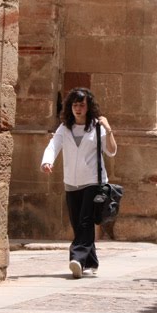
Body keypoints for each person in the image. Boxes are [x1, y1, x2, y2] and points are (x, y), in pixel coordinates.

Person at [40, 88, 117, 279]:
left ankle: (76, 258)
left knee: (85, 221)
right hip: (71, 183)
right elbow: (53, 145)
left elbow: (112, 151)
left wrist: (109, 130)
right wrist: (47, 161)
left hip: (92, 181)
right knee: (77, 224)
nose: (78, 108)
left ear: (88, 107)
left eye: (82, 105)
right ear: (70, 107)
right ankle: (91, 262)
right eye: (75, 105)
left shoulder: (96, 127)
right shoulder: (64, 128)